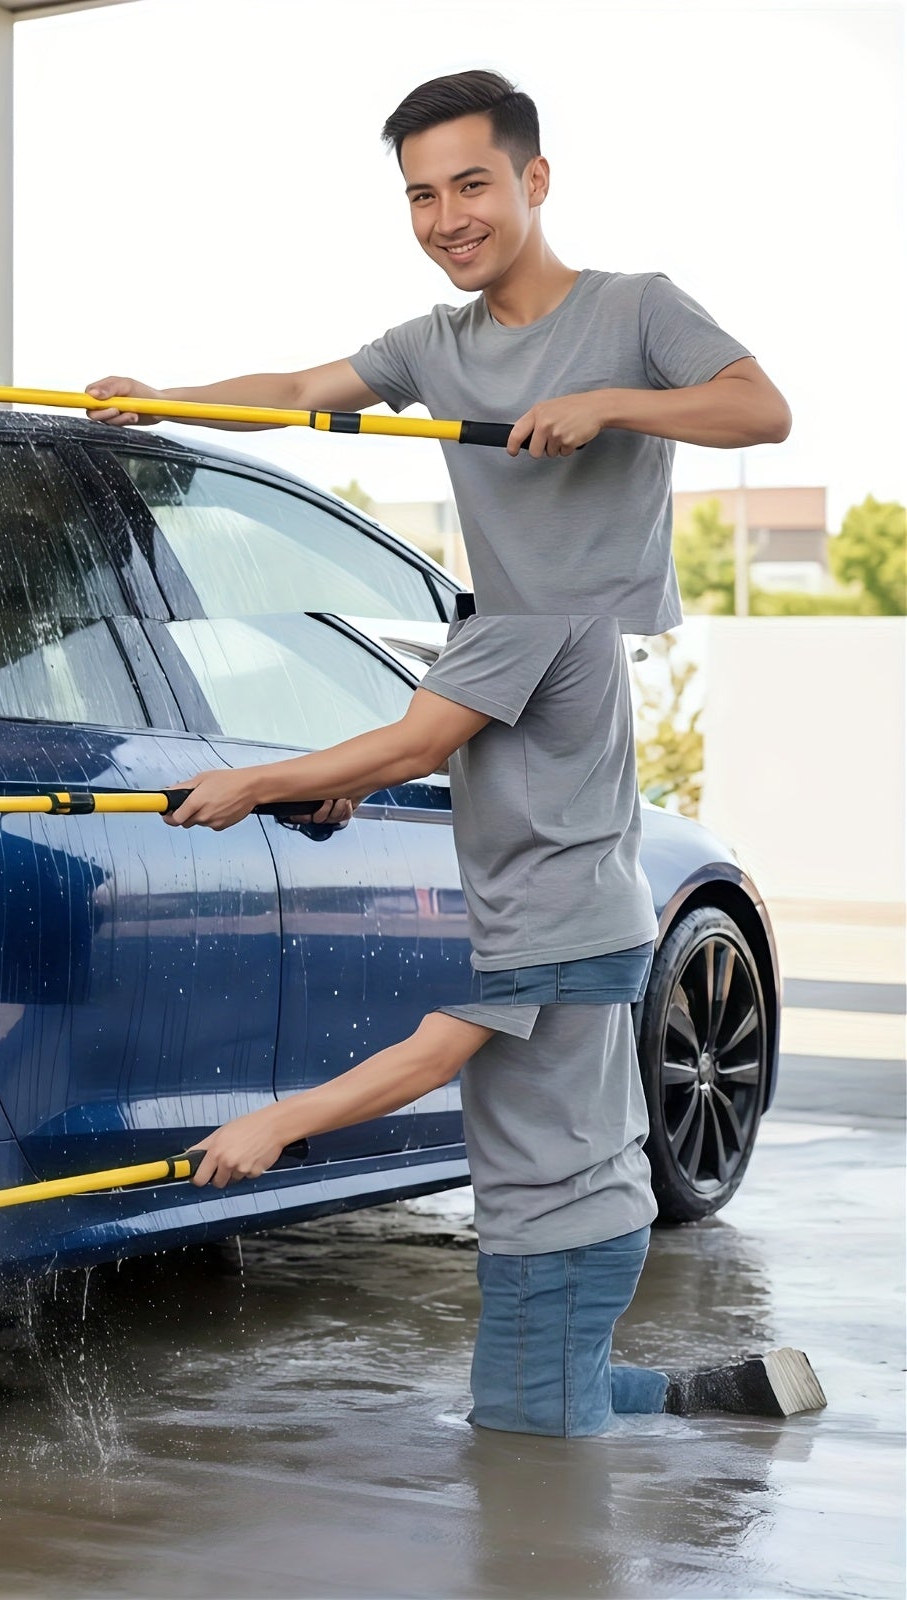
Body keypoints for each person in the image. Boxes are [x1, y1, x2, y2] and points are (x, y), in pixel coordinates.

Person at [84, 69, 822, 1433]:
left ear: (535, 180)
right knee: (539, 1397)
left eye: (469, 184)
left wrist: (614, 408)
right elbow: (308, 390)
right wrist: (165, 399)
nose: (445, 216)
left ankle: (647, 1404)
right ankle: (700, 1393)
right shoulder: (440, 344)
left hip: (557, 635)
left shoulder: (635, 311)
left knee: (523, 1429)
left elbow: (758, 410)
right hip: (528, 671)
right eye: (420, 194)